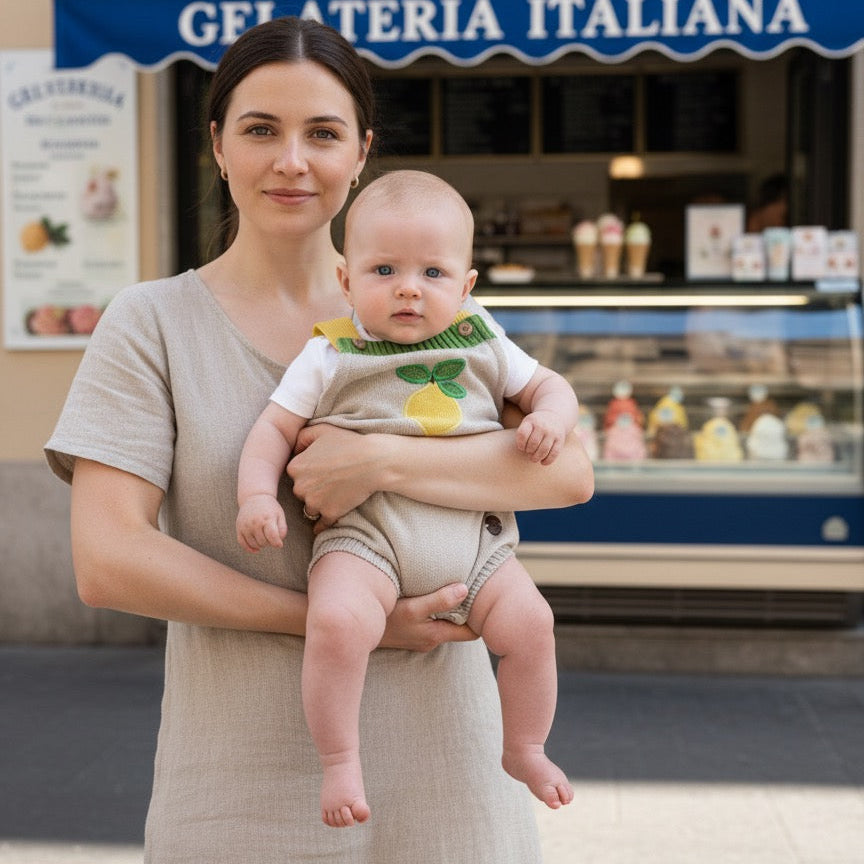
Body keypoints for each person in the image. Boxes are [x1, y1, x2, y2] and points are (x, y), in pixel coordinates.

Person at [44, 16, 593, 864]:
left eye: (323, 133)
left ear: (361, 151)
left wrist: (379, 458)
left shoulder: (438, 314)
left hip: (451, 781)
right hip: (237, 787)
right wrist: (340, 624)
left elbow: (568, 477)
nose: (291, 160)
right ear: (218, 144)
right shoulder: (152, 323)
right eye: (261, 129)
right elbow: (107, 558)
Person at [237, 169, 579, 827]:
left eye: (433, 273)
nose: (407, 288)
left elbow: (553, 389)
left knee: (533, 626)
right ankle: (340, 759)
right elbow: (272, 430)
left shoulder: (483, 337)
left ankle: (525, 746)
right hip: (367, 539)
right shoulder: (331, 352)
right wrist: (257, 495)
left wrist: (550, 420)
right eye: (384, 268)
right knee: (335, 624)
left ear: (467, 286)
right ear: (346, 280)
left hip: (475, 543)